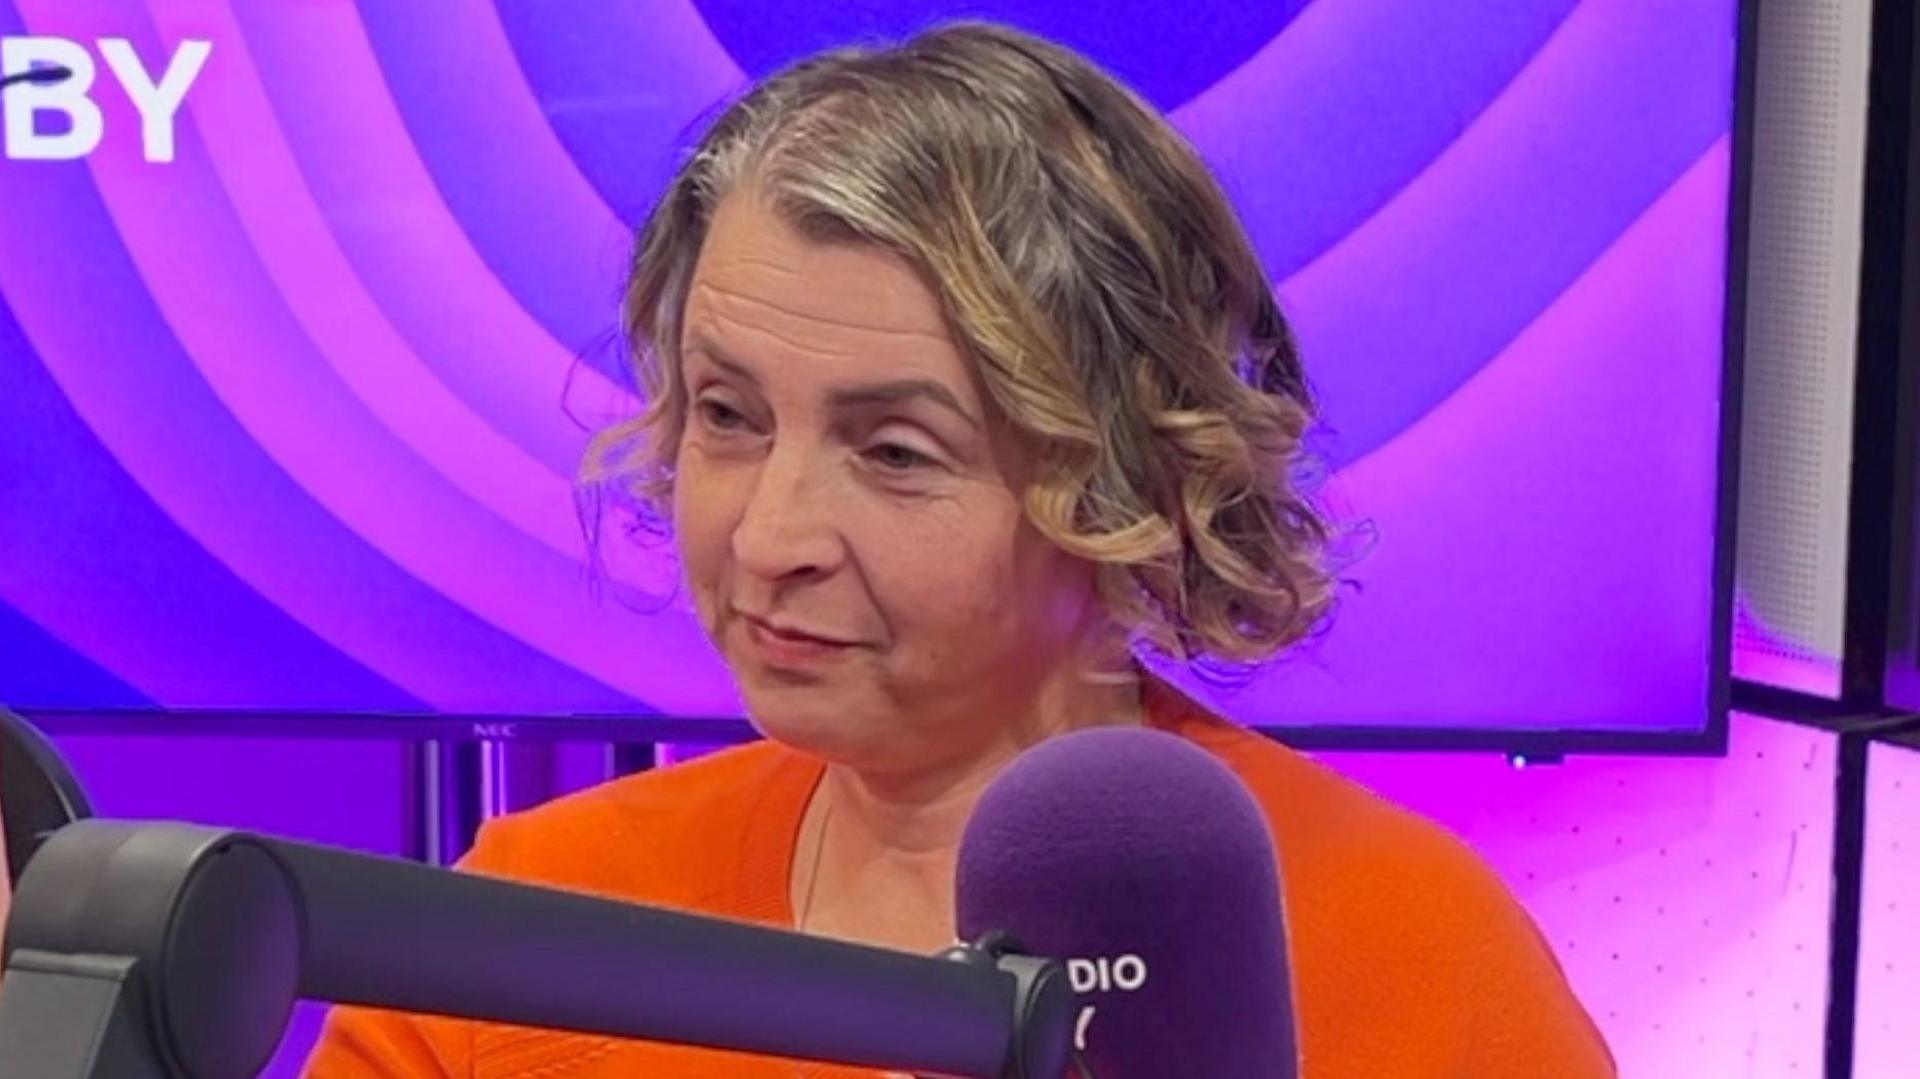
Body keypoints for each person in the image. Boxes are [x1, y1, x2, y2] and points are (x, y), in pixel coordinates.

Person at [305, 22, 1613, 1078]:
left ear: (1128, 480)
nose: (768, 538)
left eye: (896, 452)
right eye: (728, 416)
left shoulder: (1413, 948)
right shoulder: (526, 927)